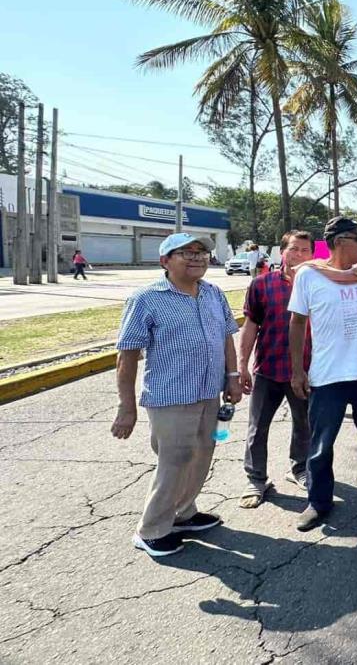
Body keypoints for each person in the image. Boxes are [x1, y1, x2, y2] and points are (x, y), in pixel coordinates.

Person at [112, 232, 242, 557]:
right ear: (165, 261)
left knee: (204, 452)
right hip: (171, 398)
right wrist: (126, 408)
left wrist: (233, 378)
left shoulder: (213, 294)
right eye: (185, 252)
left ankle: (183, 513)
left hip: (211, 394)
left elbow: (227, 337)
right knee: (174, 460)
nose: (197, 257)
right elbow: (127, 355)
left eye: (201, 252)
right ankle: (151, 530)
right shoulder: (146, 298)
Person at [289, 216, 357, 531]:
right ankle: (318, 502)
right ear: (339, 242)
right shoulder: (309, 276)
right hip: (328, 376)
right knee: (321, 444)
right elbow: (297, 323)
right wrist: (298, 370)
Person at [237, 231, 316, 509]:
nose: (300, 255)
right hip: (268, 369)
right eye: (294, 249)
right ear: (282, 252)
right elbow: (250, 326)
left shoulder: (318, 285)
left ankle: (301, 469)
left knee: (305, 425)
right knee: (257, 428)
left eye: (306, 250)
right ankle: (256, 479)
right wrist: (241, 365)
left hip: (306, 371)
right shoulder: (261, 284)